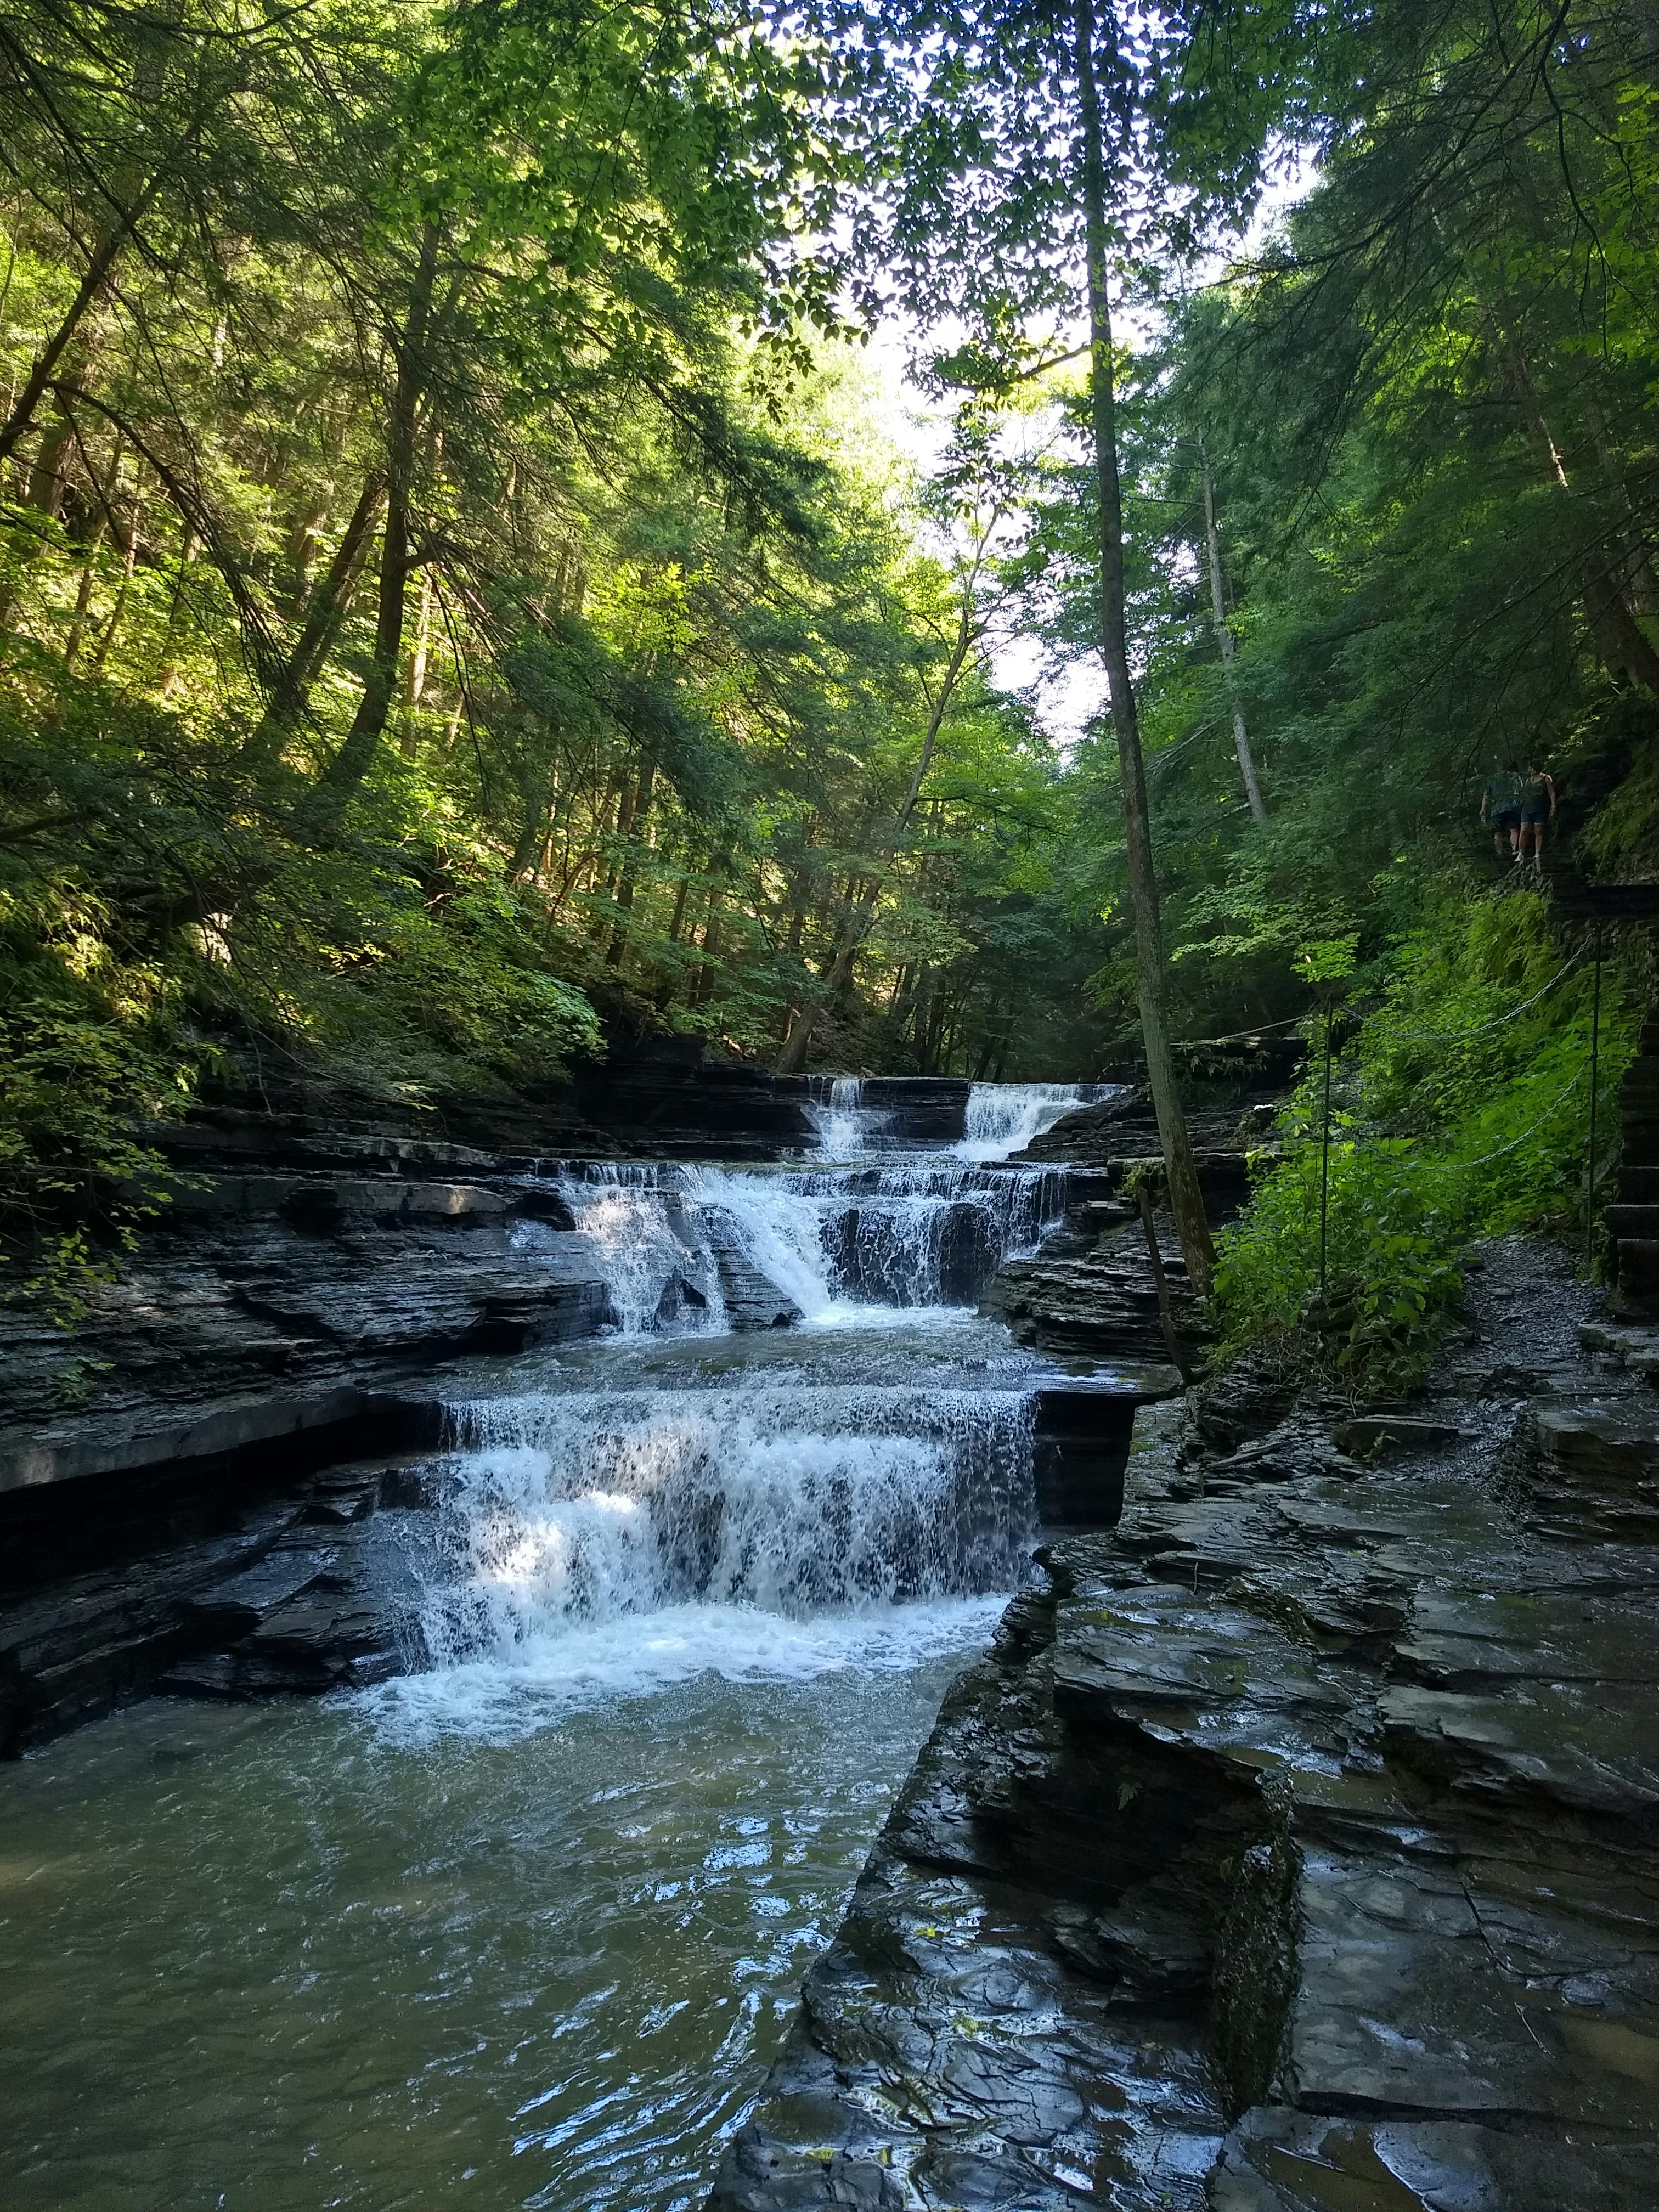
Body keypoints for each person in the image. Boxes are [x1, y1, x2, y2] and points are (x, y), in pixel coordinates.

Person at [1518, 761, 1556, 874]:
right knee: (1524, 830)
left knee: (1538, 830)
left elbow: (1552, 793)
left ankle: (1537, 853)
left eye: (1531, 768)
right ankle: (1521, 853)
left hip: (1541, 808)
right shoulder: (1528, 781)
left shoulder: (1546, 779)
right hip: (1527, 808)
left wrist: (1553, 805)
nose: (1530, 770)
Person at [1480, 763, 1523, 860]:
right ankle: (1514, 850)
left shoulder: (1491, 779)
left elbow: (1486, 796)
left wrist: (1483, 809)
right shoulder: (1514, 776)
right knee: (1513, 829)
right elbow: (1521, 790)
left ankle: (1499, 852)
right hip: (1512, 807)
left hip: (1497, 809)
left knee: (1498, 831)